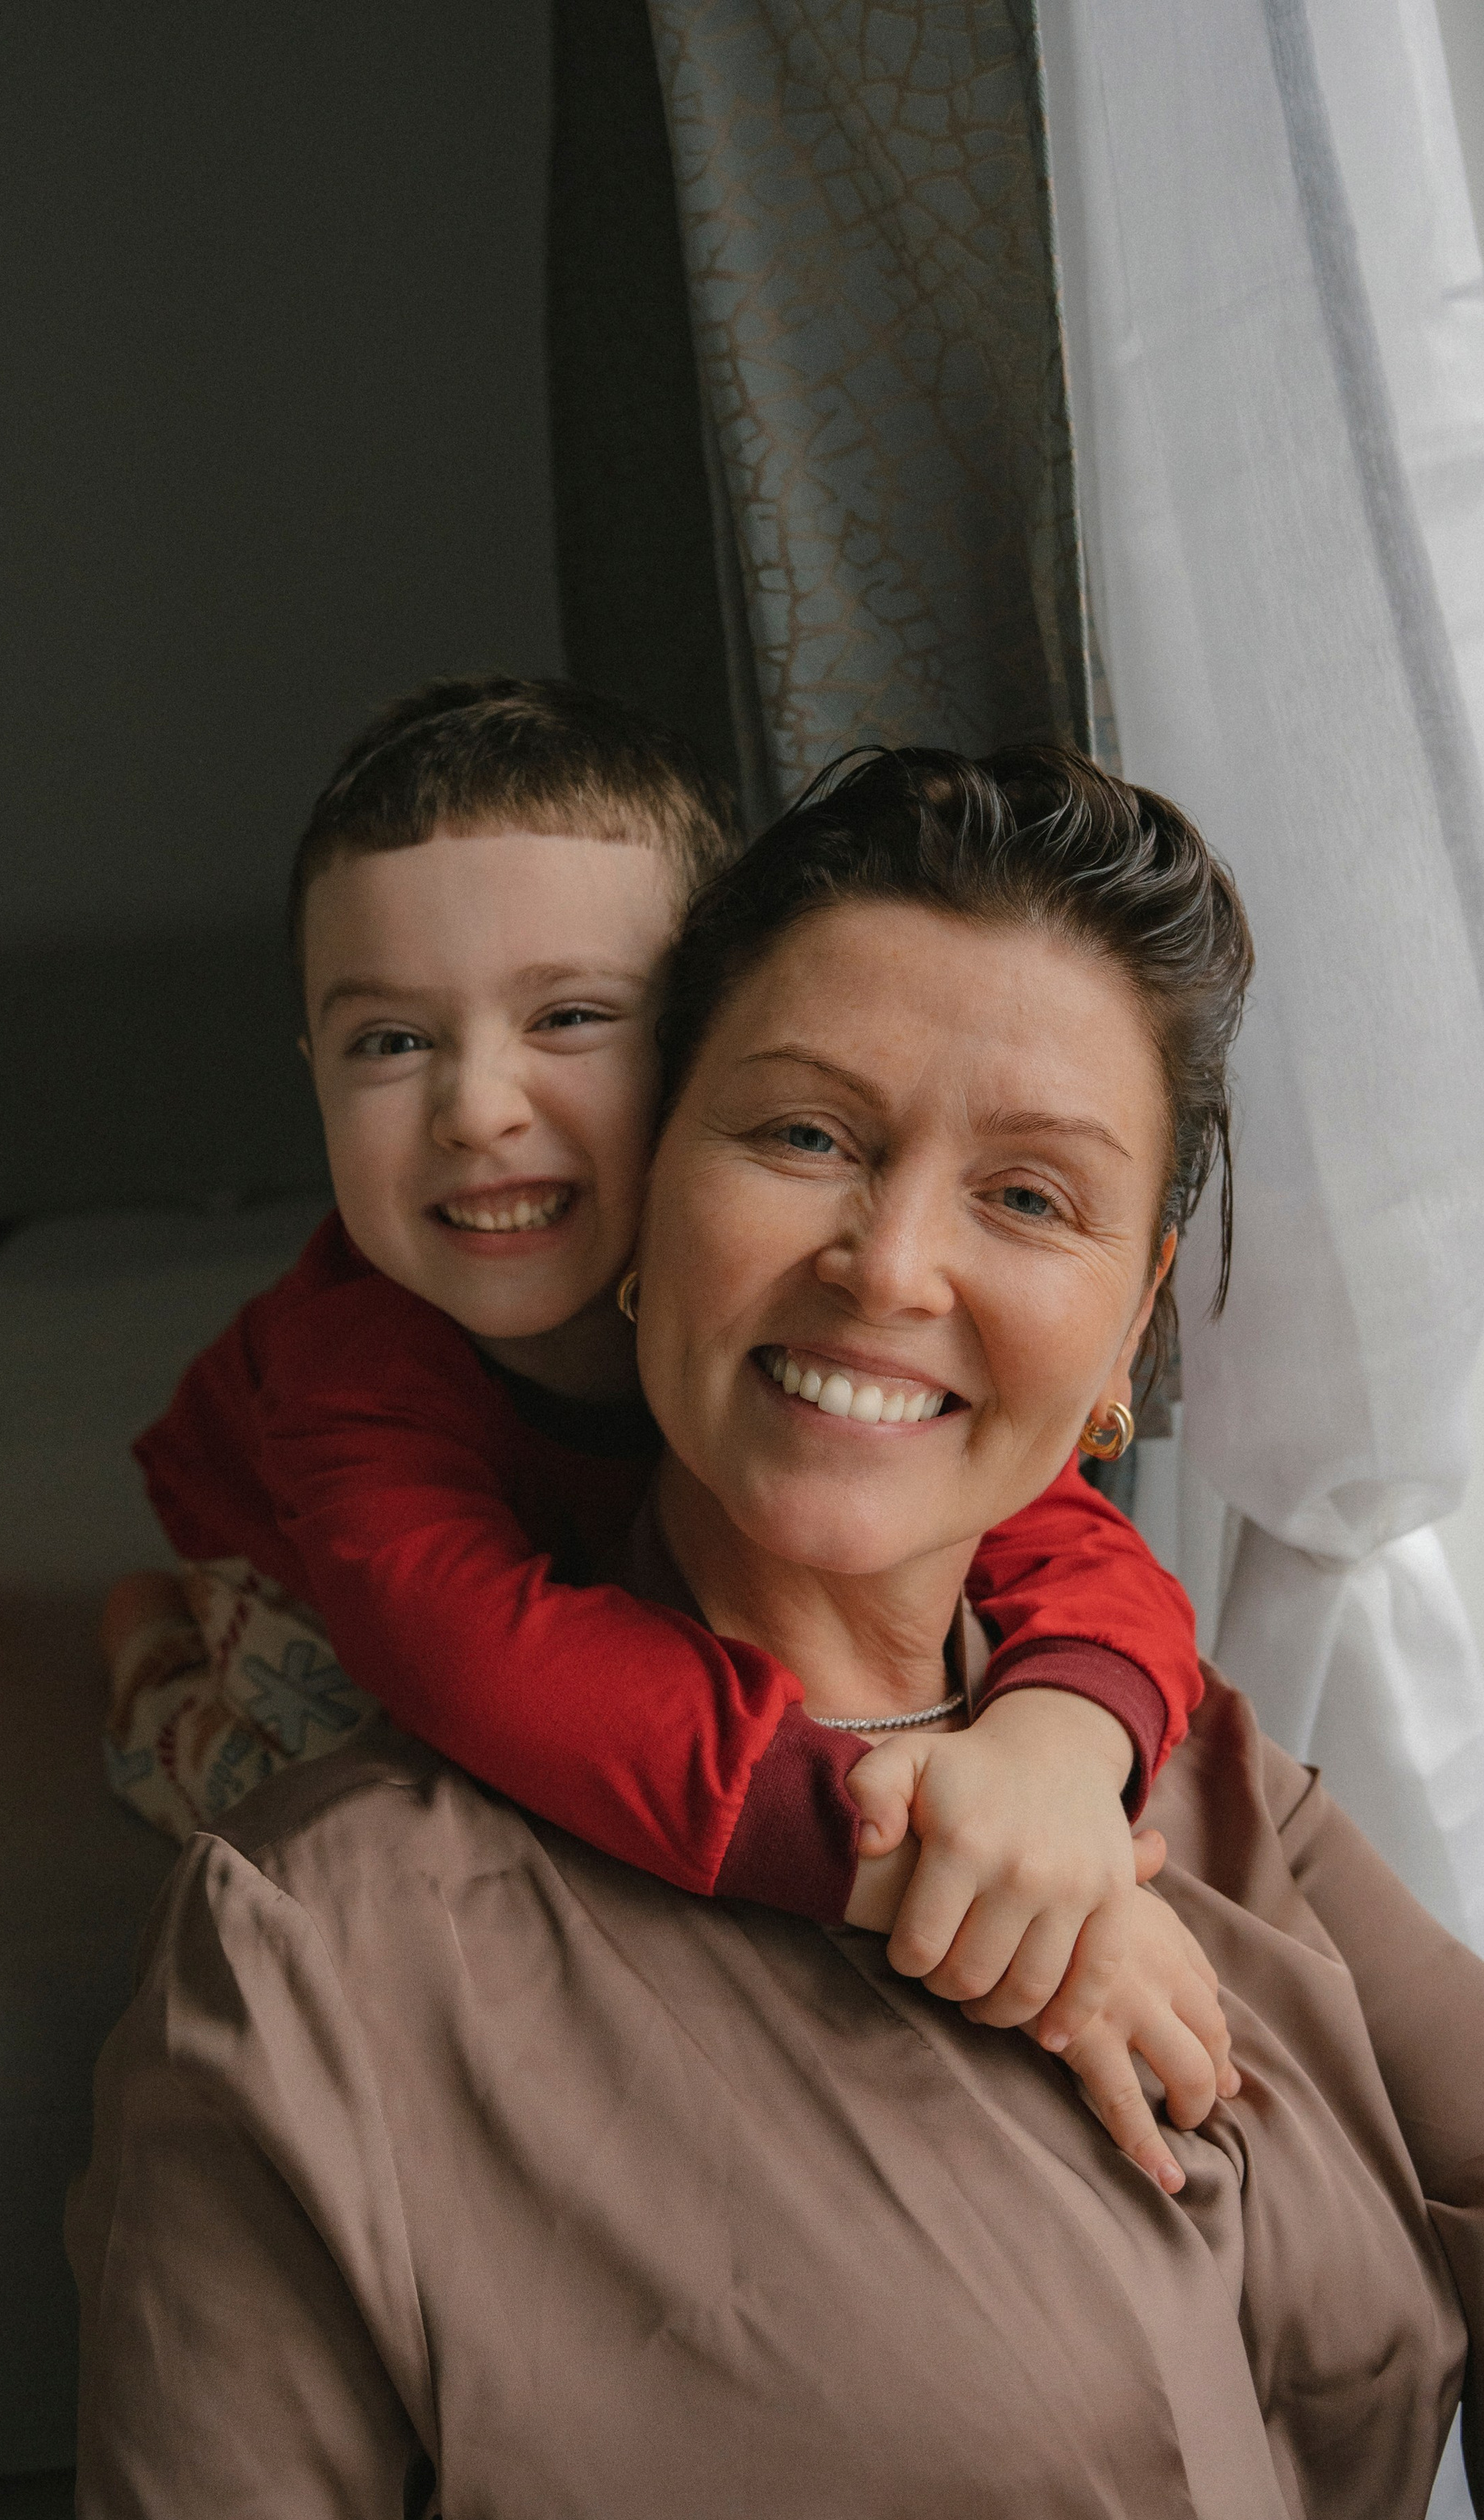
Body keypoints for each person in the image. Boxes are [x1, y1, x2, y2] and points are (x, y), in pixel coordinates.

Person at [22, 746, 1484, 2520]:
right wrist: (874, 1847)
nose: (888, 1268)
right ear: (642, 1205)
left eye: (1028, 1194)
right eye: (802, 1136)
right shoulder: (323, 1957)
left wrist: (1062, 1759)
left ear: (1129, 1331)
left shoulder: (1202, 1773)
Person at [110, 677, 1204, 2099]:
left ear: (698, 1048)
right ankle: (142, 1657)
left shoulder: (766, 1288)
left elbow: (1064, 1536)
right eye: (391, 1041)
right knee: (320, 1794)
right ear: (312, 1065)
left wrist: (1060, 1754)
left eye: (568, 1018)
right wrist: (908, 1865)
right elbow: (479, 1656)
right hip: (309, 1567)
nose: (478, 1109)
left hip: (579, 1540)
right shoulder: (351, 1363)